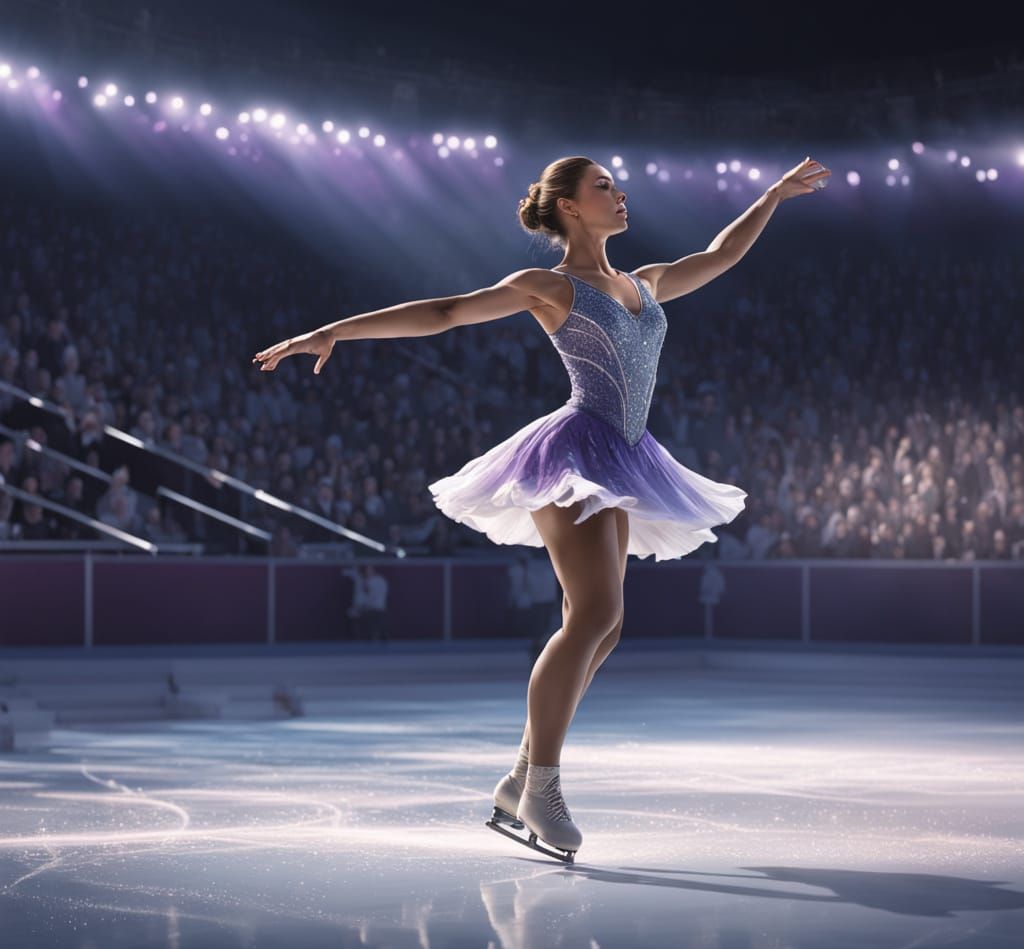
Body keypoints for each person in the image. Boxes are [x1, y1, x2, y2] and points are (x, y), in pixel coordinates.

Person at [252, 154, 830, 861]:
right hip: (575, 453)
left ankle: (523, 773)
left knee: (607, 625)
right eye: (604, 188)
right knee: (592, 615)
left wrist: (772, 194)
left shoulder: (643, 283)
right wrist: (336, 331)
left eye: (618, 186)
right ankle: (542, 787)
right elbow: (446, 312)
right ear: (568, 208)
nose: (621, 195)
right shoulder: (549, 287)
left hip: (628, 454)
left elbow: (722, 252)